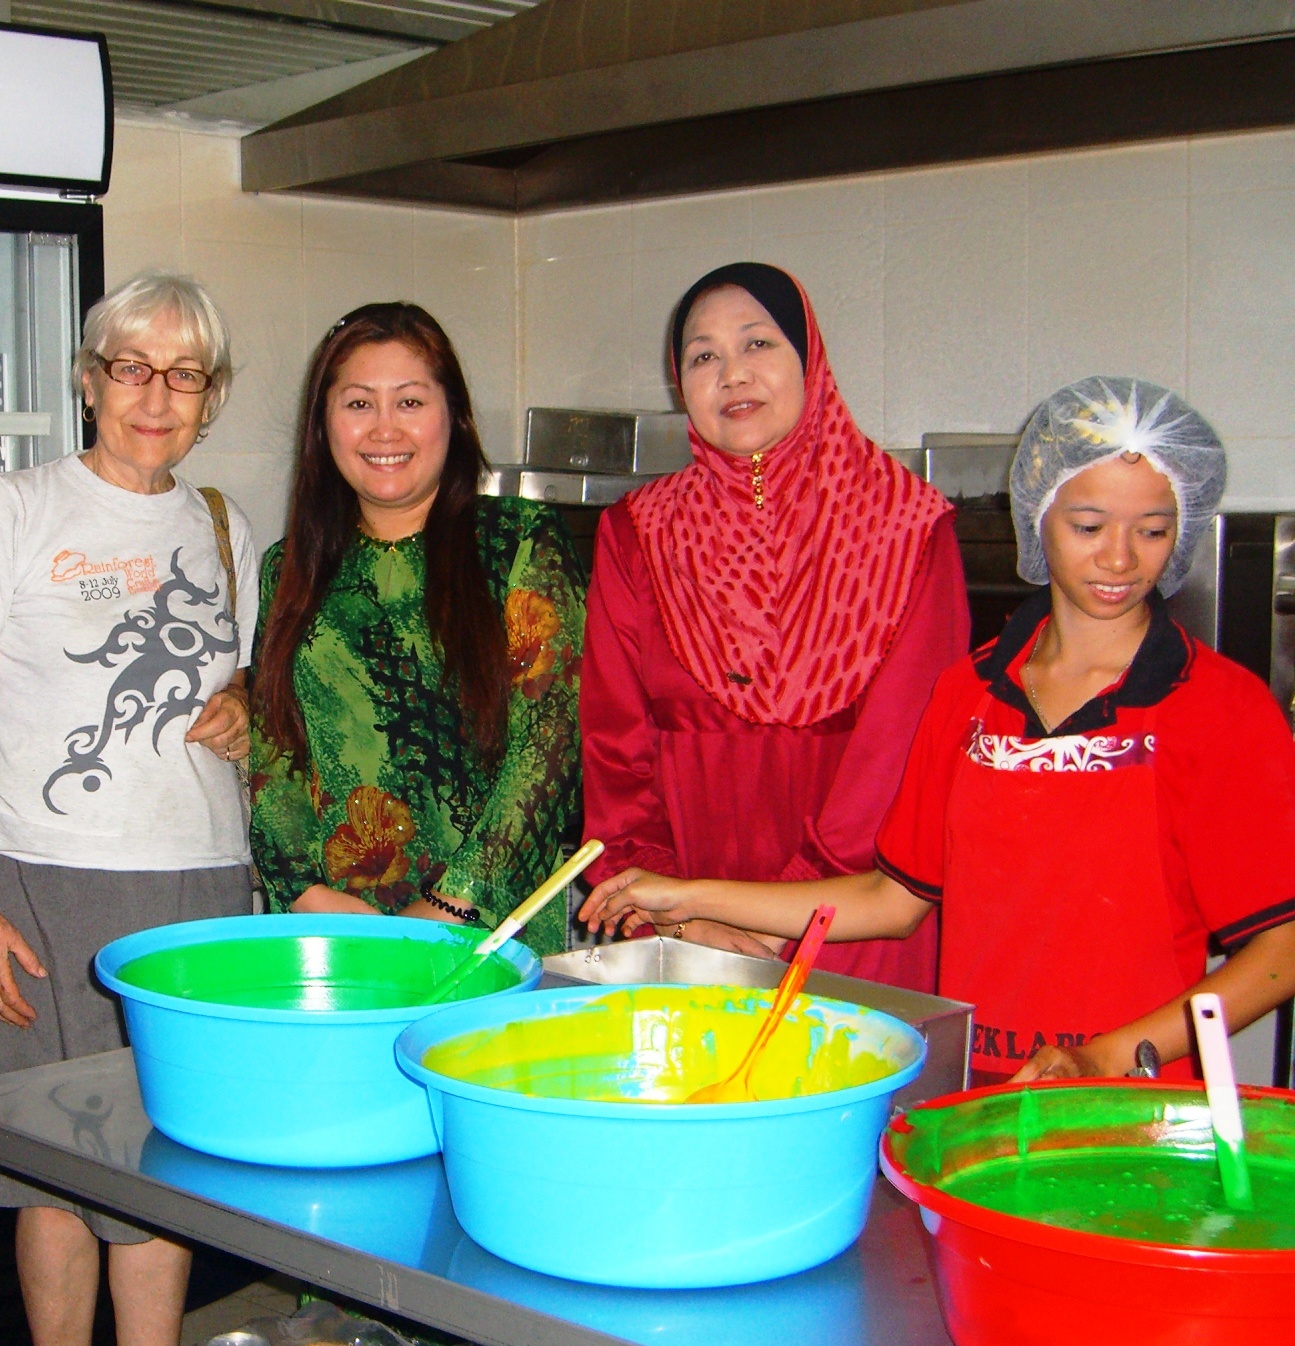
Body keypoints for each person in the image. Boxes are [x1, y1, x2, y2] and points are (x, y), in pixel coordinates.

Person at [583, 376, 1295, 1086]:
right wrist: (684, 894)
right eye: (1087, 526)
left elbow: (1281, 949)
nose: (1119, 559)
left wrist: (1107, 1056)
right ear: (1036, 516)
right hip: (972, 1091)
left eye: (1152, 531)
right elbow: (890, 902)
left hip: (1130, 1106)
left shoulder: (1218, 706)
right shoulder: (968, 693)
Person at [0, 272, 257, 1346]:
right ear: (87, 379)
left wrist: (245, 706)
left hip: (199, 888)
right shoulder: (8, 506)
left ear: (210, 396)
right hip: (39, 876)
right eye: (131, 367)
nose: (155, 396)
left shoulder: (222, 521)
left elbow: (238, 683)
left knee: (164, 1168)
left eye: (184, 374)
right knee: (52, 1173)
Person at [579, 263, 968, 989]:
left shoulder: (907, 529)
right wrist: (679, 914)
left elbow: (904, 761)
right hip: (685, 933)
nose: (732, 374)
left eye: (757, 345)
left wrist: (766, 920)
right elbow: (611, 753)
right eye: (703, 356)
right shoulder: (636, 534)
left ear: (808, 360)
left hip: (853, 925)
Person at [250, 302, 584, 955]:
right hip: (338, 930)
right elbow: (274, 753)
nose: (382, 430)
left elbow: (548, 748)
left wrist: (446, 907)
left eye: (408, 402)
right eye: (357, 404)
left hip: (484, 937)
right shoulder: (287, 567)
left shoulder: (518, 542)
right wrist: (307, 895)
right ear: (324, 424)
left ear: (452, 417)